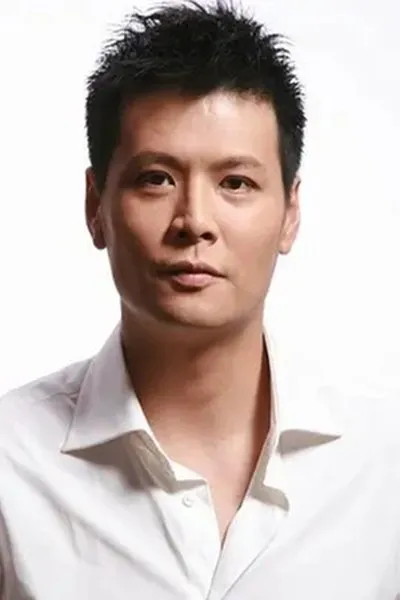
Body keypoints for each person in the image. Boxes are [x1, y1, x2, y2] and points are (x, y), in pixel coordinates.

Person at [0, 1, 399, 598]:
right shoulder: (11, 466)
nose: (194, 221)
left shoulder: (383, 466)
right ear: (95, 206)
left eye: (236, 183)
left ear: (290, 213)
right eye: (155, 178)